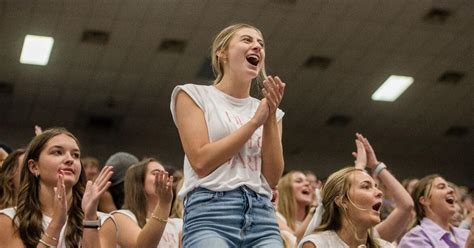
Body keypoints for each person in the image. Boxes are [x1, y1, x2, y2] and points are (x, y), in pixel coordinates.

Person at [170, 23, 286, 247]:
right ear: (221, 53)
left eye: (260, 44)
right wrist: (254, 123)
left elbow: (272, 178)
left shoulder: (269, 111)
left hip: (262, 215)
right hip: (210, 213)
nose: (256, 47)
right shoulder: (192, 95)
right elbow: (201, 161)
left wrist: (270, 116)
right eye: (246, 40)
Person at [0, 128, 117, 247]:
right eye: (57, 152)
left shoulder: (102, 221)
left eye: (75, 155)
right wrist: (56, 224)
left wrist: (90, 220)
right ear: (34, 167)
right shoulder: (9, 220)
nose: (70, 159)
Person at [299, 166, 394, 248]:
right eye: (366, 186)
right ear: (343, 201)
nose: (379, 192)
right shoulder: (317, 244)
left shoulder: (386, 246)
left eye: (376, 186)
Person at [112, 158, 182, 247]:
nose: (164, 177)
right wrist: (163, 204)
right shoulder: (120, 217)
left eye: (166, 174)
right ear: (138, 182)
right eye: (156, 173)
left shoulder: (178, 224)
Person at [398, 174, 474, 248]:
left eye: (449, 187)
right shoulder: (415, 238)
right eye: (441, 187)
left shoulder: (465, 235)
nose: (451, 190)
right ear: (425, 200)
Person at [277, 171, 317, 246]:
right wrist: (313, 210)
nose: (307, 184)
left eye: (308, 182)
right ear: (286, 189)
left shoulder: (316, 220)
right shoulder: (276, 216)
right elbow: (292, 241)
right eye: (299, 181)